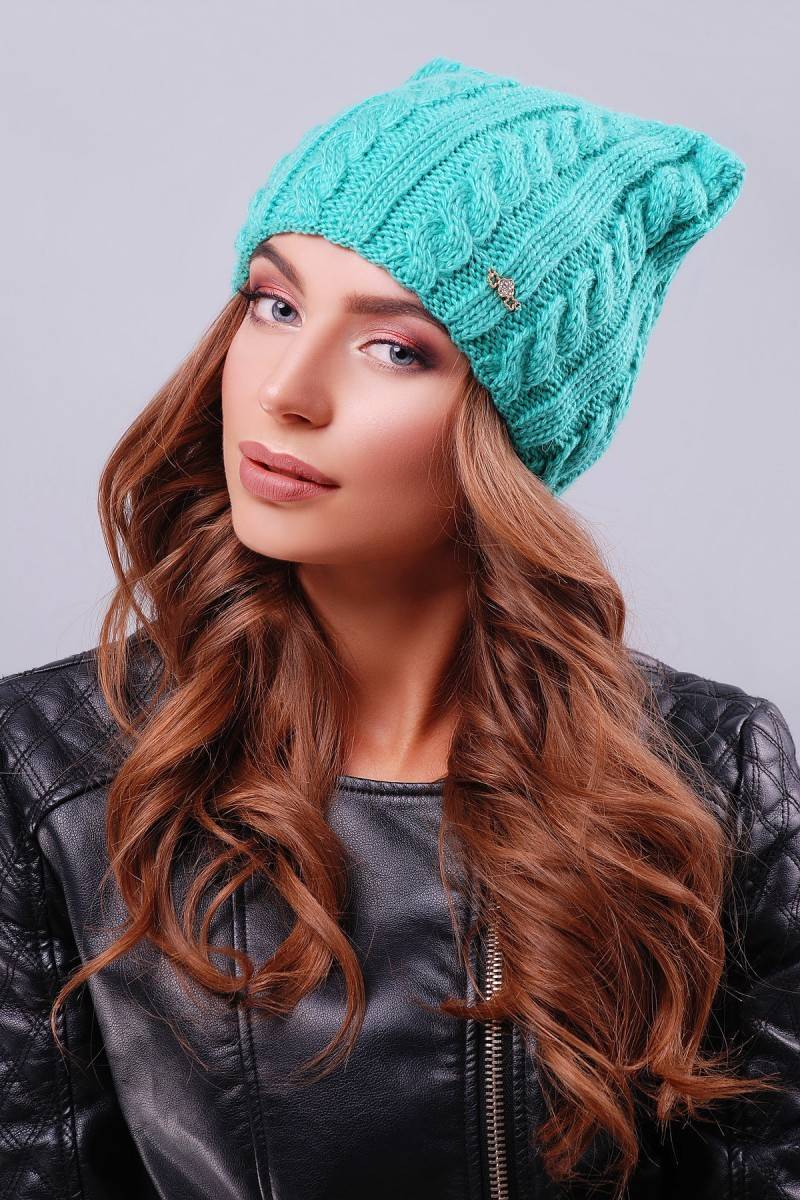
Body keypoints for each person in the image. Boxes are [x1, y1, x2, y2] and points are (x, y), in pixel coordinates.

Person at [1, 55, 797, 1200]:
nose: (285, 390)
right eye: (274, 305)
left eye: (394, 348)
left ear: (508, 430)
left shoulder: (706, 776)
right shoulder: (50, 767)